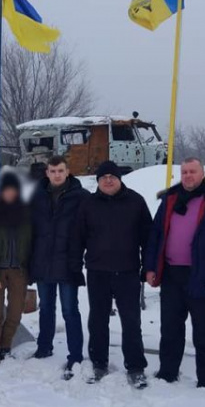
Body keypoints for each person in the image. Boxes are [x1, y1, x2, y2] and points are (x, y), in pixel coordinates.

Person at [145, 158, 205, 390]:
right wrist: (150, 267)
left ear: (202, 174)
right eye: (184, 172)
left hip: (202, 275)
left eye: (192, 171)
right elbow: (156, 235)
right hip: (171, 274)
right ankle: (168, 372)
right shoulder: (170, 200)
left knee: (203, 330)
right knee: (170, 327)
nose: (188, 175)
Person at [70, 161, 153, 387]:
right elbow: (77, 238)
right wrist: (75, 267)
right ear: (97, 181)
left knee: (131, 321)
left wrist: (148, 266)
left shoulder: (135, 201)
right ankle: (98, 363)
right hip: (98, 272)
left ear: (119, 179)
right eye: (103, 177)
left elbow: (149, 238)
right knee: (97, 320)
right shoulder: (88, 204)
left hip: (127, 272)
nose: (108, 180)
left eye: (112, 176)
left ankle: (135, 367)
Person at [29, 155, 89, 379]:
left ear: (67, 171)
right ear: (47, 173)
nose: (56, 175)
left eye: (60, 171)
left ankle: (75, 355)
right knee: (45, 308)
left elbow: (89, 228)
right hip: (42, 262)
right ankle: (44, 346)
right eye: (52, 171)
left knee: (70, 310)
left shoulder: (81, 196)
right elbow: (30, 228)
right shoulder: (37, 196)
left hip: (67, 263)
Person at [0, 172, 32, 371]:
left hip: (18, 271)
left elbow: (31, 243)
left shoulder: (26, 215)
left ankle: (5, 347)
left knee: (15, 313)